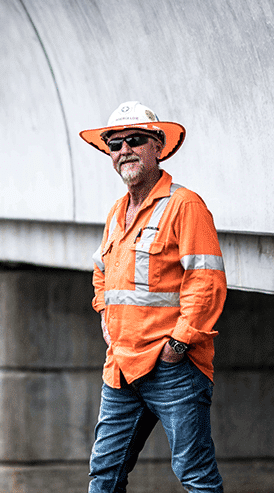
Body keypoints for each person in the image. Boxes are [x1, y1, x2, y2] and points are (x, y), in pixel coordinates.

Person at [79, 101, 227, 493]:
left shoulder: (185, 205)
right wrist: (106, 318)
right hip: (121, 367)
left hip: (173, 368)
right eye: (115, 144)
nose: (124, 149)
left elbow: (207, 282)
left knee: (196, 476)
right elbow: (102, 272)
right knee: (104, 475)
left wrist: (178, 344)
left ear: (158, 146)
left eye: (135, 140)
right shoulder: (116, 212)